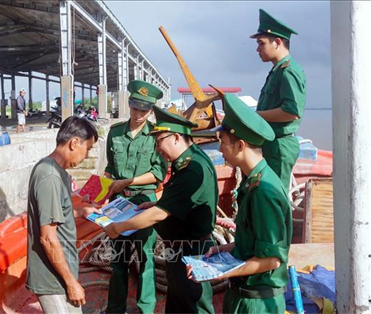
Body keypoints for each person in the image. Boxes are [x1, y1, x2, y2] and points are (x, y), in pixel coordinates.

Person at [104, 105, 218, 314]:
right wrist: (157, 204)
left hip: (191, 252)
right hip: (180, 249)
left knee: (193, 304)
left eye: (159, 142)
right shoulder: (186, 162)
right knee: (178, 303)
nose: (157, 149)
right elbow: (179, 203)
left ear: (175, 137)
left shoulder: (192, 169)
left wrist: (118, 227)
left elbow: (158, 216)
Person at [189, 93, 292, 313]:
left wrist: (221, 272)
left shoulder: (263, 191)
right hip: (243, 296)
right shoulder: (252, 182)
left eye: (223, 143)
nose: (219, 150)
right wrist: (222, 249)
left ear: (240, 145)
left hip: (257, 304)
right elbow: (254, 241)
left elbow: (272, 260)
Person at [103, 80, 167, 314]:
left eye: (145, 110)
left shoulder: (155, 136)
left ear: (151, 110)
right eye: (135, 108)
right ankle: (115, 308)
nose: (139, 114)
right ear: (129, 105)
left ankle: (146, 308)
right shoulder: (115, 132)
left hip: (144, 202)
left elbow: (158, 173)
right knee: (118, 260)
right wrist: (103, 186)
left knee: (146, 258)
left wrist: (129, 181)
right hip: (118, 203)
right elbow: (110, 167)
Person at [26, 116, 101, 314]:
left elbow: (54, 214)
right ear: (74, 143)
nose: (86, 156)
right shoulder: (49, 176)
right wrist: (71, 283)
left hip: (62, 269)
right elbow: (48, 238)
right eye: (88, 149)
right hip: (53, 277)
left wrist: (79, 212)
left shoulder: (58, 172)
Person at [251, 9, 306, 191]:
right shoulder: (277, 71)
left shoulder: (289, 71)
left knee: (276, 200)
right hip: (271, 144)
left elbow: (292, 112)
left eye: (261, 43)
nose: (257, 49)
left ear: (277, 42)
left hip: (280, 147)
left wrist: (255, 116)